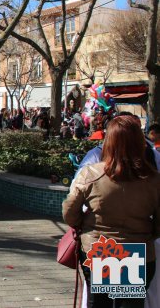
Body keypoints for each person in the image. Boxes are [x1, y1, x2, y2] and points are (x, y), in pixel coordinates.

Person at [63, 115, 160, 307]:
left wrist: (82, 225)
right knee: (131, 302)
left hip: (99, 248)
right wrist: (147, 234)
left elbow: (69, 212)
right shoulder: (154, 180)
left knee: (100, 302)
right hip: (138, 249)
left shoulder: (90, 173)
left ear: (108, 142)